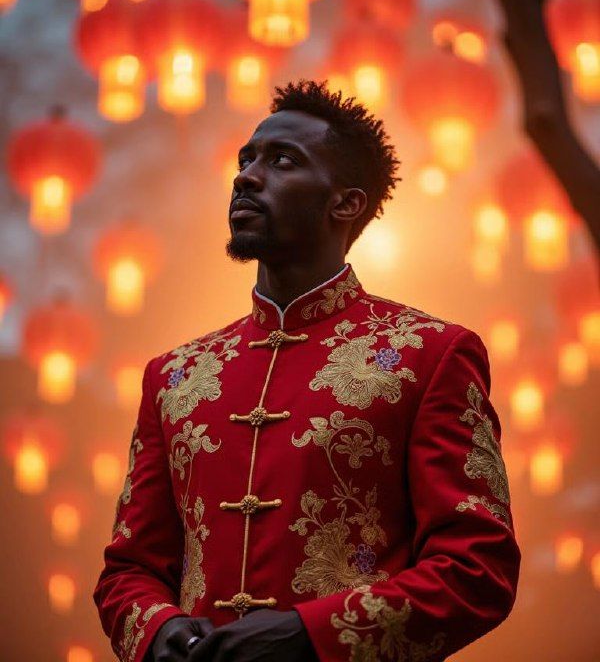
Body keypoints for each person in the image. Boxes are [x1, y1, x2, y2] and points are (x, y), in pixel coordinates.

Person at [93, 80, 521, 662]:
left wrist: (310, 635)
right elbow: (128, 570)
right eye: (245, 160)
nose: (246, 177)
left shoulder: (430, 354)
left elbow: (478, 568)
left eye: (282, 160)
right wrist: (158, 631)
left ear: (346, 203)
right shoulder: (174, 376)